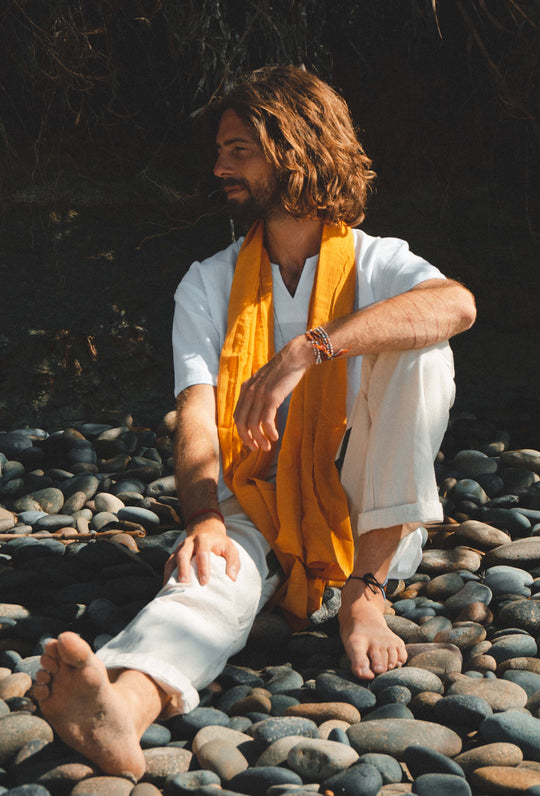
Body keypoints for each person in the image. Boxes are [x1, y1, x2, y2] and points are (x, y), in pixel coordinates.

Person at [33, 66, 476, 780]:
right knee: (208, 579)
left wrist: (310, 348)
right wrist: (204, 515)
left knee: (424, 349)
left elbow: (457, 305)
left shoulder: (376, 261)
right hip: (256, 489)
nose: (219, 167)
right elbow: (198, 419)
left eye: (239, 149)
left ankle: (365, 595)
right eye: (220, 151)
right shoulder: (209, 281)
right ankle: (124, 708)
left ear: (294, 148)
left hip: (369, 511)